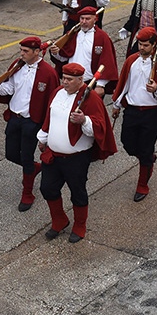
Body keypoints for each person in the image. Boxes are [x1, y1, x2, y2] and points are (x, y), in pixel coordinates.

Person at [36, 62, 116, 242]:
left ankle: (80, 225)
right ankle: (59, 220)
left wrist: (84, 120)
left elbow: (99, 128)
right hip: (53, 154)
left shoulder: (91, 98)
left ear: (80, 80)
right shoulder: (57, 93)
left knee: (77, 192)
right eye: (63, 78)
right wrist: (43, 138)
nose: (64, 82)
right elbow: (49, 118)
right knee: (47, 188)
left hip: (76, 158)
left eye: (69, 79)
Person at [111, 27, 157, 201]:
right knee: (127, 143)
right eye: (140, 44)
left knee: (145, 149)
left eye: (145, 45)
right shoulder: (131, 61)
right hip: (133, 110)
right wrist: (117, 104)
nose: (141, 48)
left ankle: (143, 184)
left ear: (153, 45)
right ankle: (148, 157)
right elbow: (124, 84)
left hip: (152, 113)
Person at [0, 37, 59, 212]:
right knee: (11, 154)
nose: (21, 53)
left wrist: (47, 129)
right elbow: (10, 88)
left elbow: (52, 102)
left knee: (26, 156)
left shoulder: (48, 73)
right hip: (14, 118)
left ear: (37, 52)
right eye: (21, 50)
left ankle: (27, 192)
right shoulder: (17, 65)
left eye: (25, 51)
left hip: (32, 121)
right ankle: (34, 168)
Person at [50, 6, 118, 97]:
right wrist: (56, 52)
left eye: (87, 19)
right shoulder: (73, 35)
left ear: (95, 19)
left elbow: (107, 62)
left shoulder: (102, 37)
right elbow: (64, 57)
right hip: (71, 82)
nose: (84, 22)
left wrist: (100, 85)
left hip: (90, 84)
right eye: (82, 18)